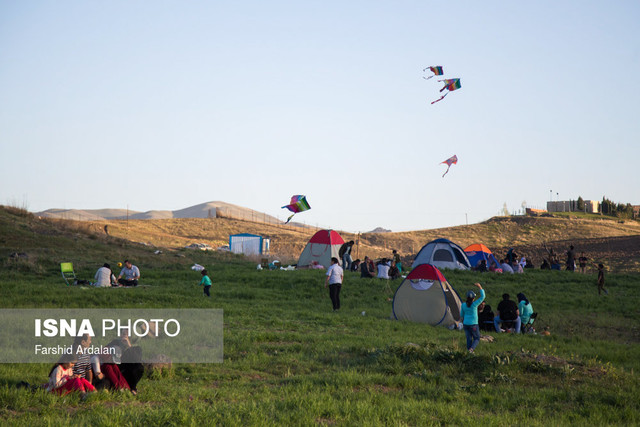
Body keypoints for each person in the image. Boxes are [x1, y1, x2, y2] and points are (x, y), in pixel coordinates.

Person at [460, 283, 485, 353]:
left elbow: (461, 314)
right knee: (477, 338)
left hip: (465, 324)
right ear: (473, 298)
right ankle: (471, 349)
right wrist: (480, 287)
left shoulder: (463, 305)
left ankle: (469, 351)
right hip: (473, 324)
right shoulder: (474, 304)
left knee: (469, 338)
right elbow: (483, 297)